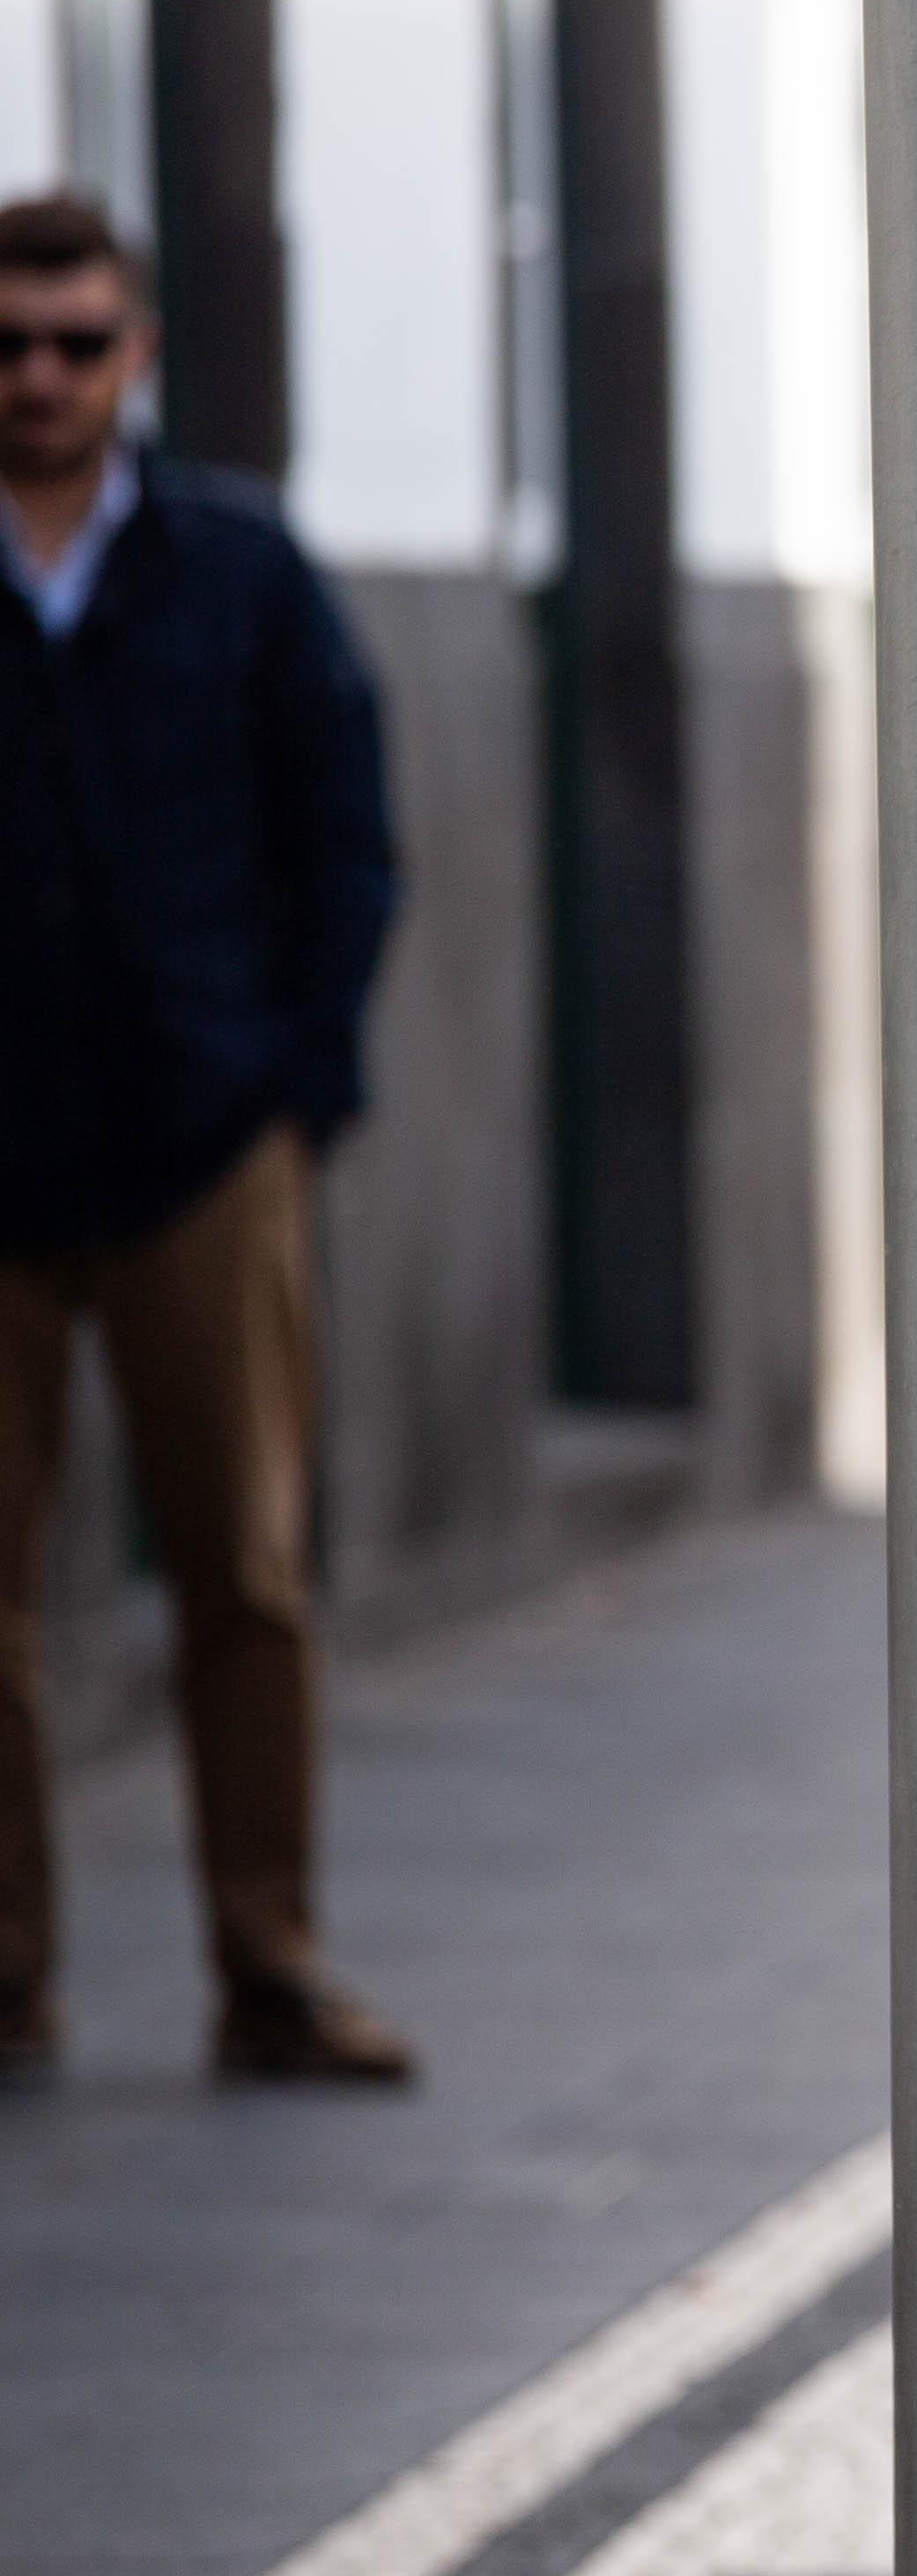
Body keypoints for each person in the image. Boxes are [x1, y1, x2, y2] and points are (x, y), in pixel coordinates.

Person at [0, 190, 409, 2087]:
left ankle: (270, 1962)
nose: (41, 381)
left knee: (244, 1577)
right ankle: (7, 1978)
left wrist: (296, 1081)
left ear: (138, 355)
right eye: (9, 347)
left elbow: (347, 830)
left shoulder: (237, 566)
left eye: (79, 343)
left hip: (202, 1145)